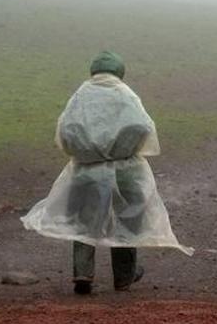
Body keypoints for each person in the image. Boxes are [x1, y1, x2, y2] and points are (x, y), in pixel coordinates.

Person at [21, 51, 192, 295]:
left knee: (83, 221)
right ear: (119, 71)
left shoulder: (81, 94)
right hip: (125, 170)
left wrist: (86, 151)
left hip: (86, 170)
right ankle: (124, 277)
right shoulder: (125, 94)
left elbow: (66, 129)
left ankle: (83, 273)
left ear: (94, 70)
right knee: (127, 220)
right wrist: (122, 148)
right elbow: (142, 126)